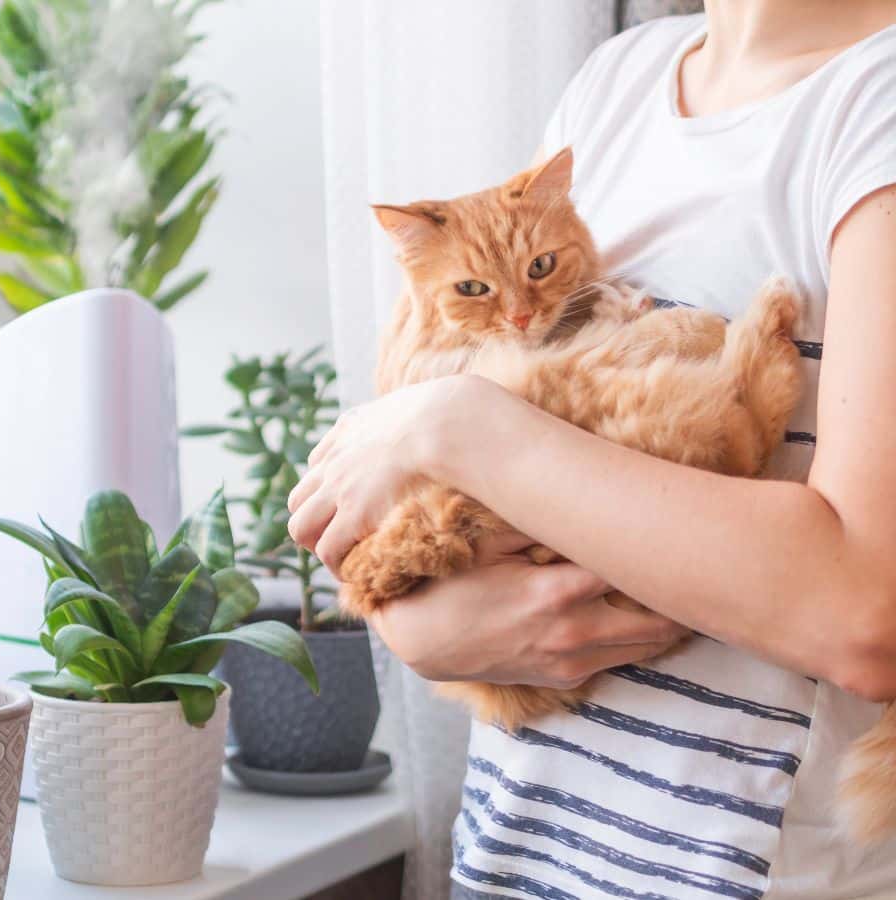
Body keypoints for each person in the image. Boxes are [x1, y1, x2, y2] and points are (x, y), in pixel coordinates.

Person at [287, 1, 896, 897]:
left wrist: (459, 423)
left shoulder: (872, 101)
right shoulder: (617, 82)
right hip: (515, 851)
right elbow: (490, 491)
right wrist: (420, 627)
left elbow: (862, 613)